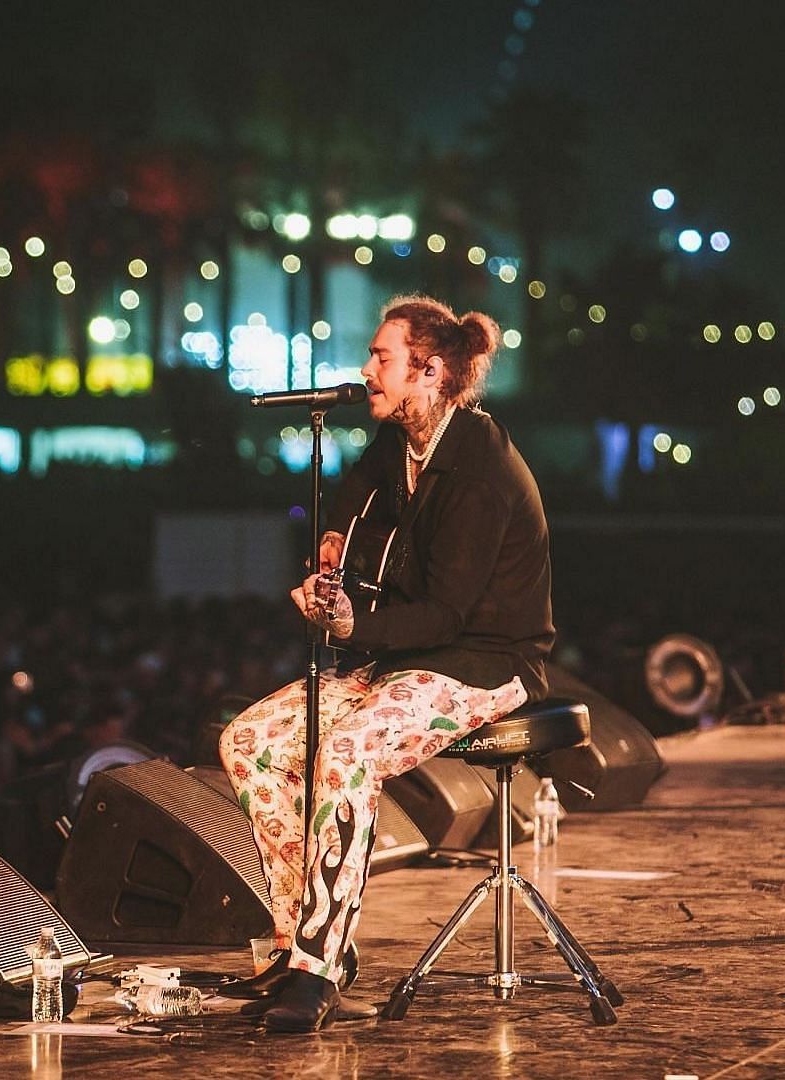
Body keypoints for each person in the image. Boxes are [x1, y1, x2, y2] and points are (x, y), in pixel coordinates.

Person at [217, 294, 555, 1032]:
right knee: (250, 743)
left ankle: (319, 966)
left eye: (381, 357)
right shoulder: (398, 442)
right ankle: (295, 941)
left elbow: (449, 615)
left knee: (344, 751)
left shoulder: (478, 469)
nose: (367, 368)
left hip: (479, 662)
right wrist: (329, 556)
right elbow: (348, 501)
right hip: (404, 656)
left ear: (430, 371)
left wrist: (352, 621)